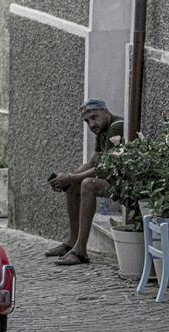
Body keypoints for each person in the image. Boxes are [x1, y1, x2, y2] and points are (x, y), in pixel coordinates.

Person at [46, 99, 124, 266]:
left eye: (95, 117)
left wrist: (70, 178)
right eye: (87, 120)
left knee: (88, 184)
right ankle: (71, 243)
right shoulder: (101, 131)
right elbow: (91, 163)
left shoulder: (116, 126)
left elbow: (104, 168)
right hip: (112, 179)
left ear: (105, 112)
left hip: (125, 183)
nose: (92, 124)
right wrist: (66, 178)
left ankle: (80, 250)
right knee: (75, 183)